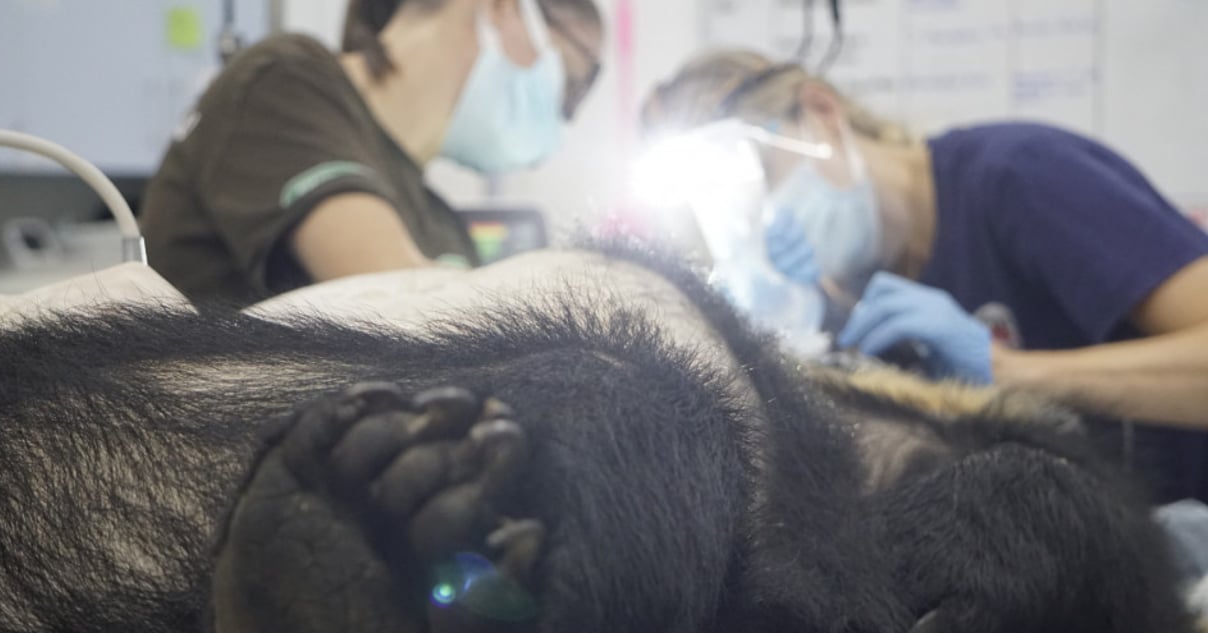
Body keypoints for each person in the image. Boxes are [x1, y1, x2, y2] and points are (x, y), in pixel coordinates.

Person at [642, 51, 1208, 502]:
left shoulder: (1017, 179)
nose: (764, 219)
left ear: (820, 110)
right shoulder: (849, 298)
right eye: (734, 213)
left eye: (762, 176)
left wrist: (1010, 373)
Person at [140, 0, 604, 307]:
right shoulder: (283, 83)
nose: (562, 120)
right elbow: (402, 305)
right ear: (502, 8)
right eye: (575, 82)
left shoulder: (441, 224)